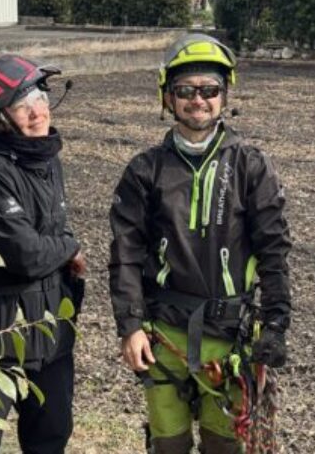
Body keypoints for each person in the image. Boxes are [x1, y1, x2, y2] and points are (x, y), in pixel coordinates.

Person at [109, 33, 292, 454]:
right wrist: (130, 326)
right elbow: (126, 255)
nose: (198, 100)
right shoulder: (144, 171)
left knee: (224, 447)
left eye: (210, 90)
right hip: (164, 339)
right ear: (167, 98)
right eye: (185, 90)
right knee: (167, 445)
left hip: (230, 343)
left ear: (224, 96)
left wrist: (277, 324)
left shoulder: (251, 166)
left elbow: (274, 252)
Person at [0, 53, 85, 454]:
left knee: (51, 435)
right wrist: (70, 248)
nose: (38, 110)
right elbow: (25, 254)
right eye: (22, 104)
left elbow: (52, 230)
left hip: (50, 325)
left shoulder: (46, 158)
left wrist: (60, 250)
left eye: (41, 97)